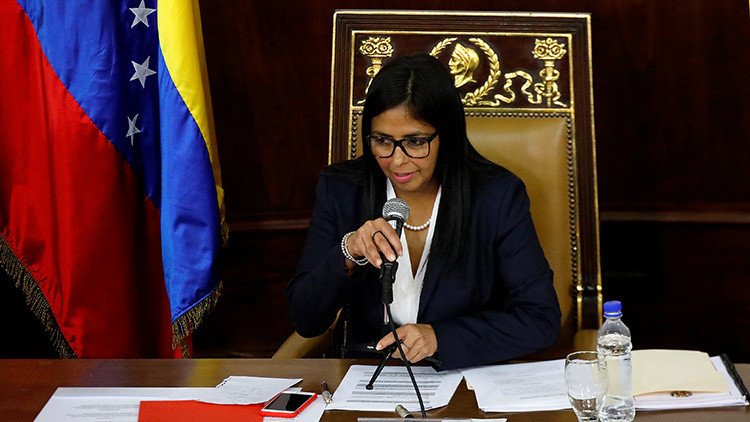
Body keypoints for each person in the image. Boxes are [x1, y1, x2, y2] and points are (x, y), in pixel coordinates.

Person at [286, 54, 560, 371]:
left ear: (448, 136)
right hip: (371, 382)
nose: (397, 161)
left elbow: (540, 318)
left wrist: (439, 337)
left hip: (465, 380)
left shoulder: (496, 197)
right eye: (382, 141)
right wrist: (349, 251)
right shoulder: (342, 190)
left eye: (415, 142)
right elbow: (306, 320)